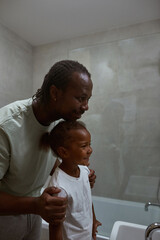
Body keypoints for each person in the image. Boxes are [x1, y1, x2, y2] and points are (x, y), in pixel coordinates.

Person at [0, 60, 96, 240]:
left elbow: (46, 161)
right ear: (54, 93)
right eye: (81, 98)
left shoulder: (56, 123)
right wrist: (35, 205)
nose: (86, 107)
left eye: (87, 99)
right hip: (5, 218)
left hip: (36, 212)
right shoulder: (6, 126)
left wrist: (76, 176)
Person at [40, 120, 101, 240]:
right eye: (84, 146)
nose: (90, 150)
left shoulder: (84, 171)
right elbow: (55, 227)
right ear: (64, 152)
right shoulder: (59, 186)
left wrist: (93, 220)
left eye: (90, 144)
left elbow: (87, 200)